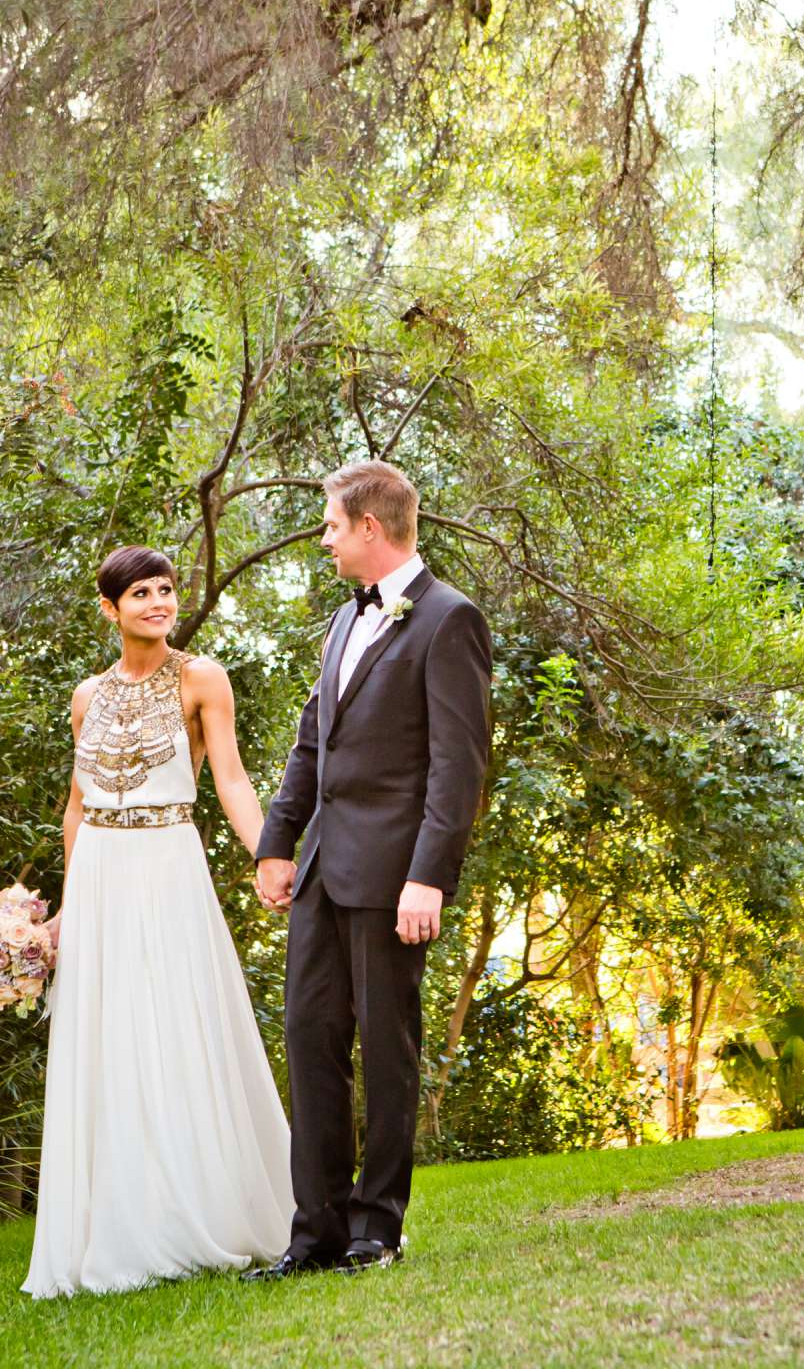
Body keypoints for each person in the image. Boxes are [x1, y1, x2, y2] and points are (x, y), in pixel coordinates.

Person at [244, 459, 493, 1279]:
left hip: (393, 878)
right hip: (321, 869)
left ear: (369, 529)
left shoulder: (449, 621)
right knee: (311, 1044)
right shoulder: (341, 623)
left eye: (330, 526)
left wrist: (429, 875)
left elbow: (457, 768)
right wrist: (276, 845)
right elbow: (312, 744)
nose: (324, 539)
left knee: (387, 1051)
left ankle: (374, 1229)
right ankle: (312, 1233)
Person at [23, 547, 291, 1298]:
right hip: (103, 875)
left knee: (178, 1028)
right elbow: (76, 809)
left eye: (167, 590)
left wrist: (270, 856)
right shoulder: (86, 697)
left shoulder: (202, 678)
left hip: (169, 861)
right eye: (141, 593)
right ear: (110, 609)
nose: (159, 603)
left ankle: (201, 1212)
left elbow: (231, 779)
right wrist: (69, 909)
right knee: (108, 1038)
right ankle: (119, 1226)